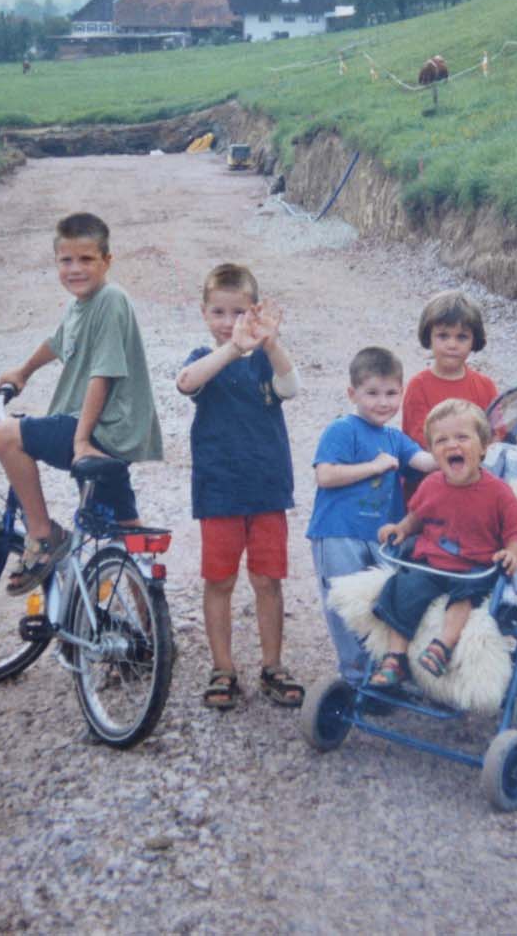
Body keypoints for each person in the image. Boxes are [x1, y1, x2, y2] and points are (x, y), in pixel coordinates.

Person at [0, 212, 164, 596]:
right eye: (66, 260)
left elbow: (101, 375)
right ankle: (151, 631)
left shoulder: (111, 300)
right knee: (126, 535)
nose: (75, 269)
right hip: (109, 435)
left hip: (104, 429)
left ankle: (44, 534)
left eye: (86, 259)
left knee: (6, 437)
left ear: (107, 261)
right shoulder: (80, 305)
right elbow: (57, 341)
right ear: (56, 262)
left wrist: (82, 440)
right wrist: (22, 371)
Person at [175, 263, 301, 709]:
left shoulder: (268, 360)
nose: (229, 322)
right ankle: (223, 667)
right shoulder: (201, 360)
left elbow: (291, 387)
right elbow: (186, 383)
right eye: (219, 312)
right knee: (220, 580)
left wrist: (270, 341)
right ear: (205, 314)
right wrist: (232, 348)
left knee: (268, 580)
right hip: (219, 492)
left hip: (267, 490)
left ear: (256, 311)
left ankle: (272, 664)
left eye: (239, 312)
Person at [369, 398, 517, 687]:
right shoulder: (432, 484)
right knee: (402, 587)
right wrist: (401, 528)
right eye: (441, 440)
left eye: (462, 437)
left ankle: (442, 646)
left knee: (466, 593)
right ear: (433, 451)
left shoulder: (497, 492)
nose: (452, 445)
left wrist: (513, 553)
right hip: (432, 564)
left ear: (484, 446)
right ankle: (395, 659)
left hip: (474, 566)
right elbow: (417, 516)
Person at [306, 347, 439, 684]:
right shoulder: (343, 429)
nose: (383, 403)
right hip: (339, 531)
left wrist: (458, 456)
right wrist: (375, 467)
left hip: (381, 534)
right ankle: (353, 676)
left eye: (391, 393)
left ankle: (383, 669)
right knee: (345, 602)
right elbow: (326, 475)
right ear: (353, 394)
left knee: (383, 599)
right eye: (373, 393)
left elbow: (422, 461)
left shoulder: (395, 437)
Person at [400, 290, 498, 493]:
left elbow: (496, 433)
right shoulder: (418, 386)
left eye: (461, 337)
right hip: (429, 483)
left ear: (474, 341)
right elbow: (418, 438)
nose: (452, 345)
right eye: (443, 336)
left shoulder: (485, 386)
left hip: (475, 479)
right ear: (429, 337)